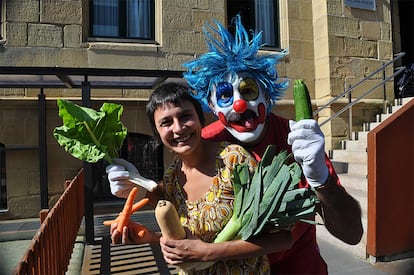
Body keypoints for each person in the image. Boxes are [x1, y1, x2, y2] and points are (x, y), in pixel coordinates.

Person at [181, 15, 363, 274]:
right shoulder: (207, 143)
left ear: (267, 94)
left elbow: (352, 234)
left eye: (249, 91)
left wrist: (322, 181)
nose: (239, 104)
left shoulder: (299, 142)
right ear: (211, 106)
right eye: (224, 95)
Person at [107, 83, 293, 274]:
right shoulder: (171, 177)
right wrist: (149, 238)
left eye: (185, 116)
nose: (178, 128)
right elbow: (185, 245)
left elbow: (283, 238)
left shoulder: (233, 160)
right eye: (166, 122)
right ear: (157, 133)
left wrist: (210, 252)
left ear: (200, 119)